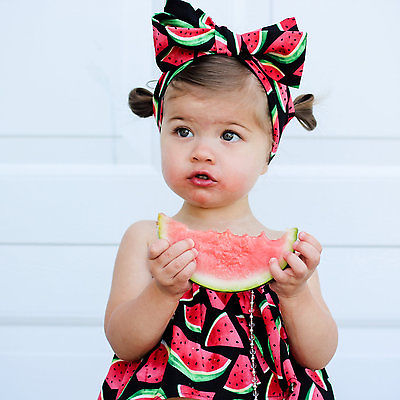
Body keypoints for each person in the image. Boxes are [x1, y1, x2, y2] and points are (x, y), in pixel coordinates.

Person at [98, 0, 337, 399]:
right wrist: (162, 291)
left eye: (229, 135)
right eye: (182, 131)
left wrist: (295, 295)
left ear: (268, 153)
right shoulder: (145, 240)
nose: (201, 152)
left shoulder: (289, 255)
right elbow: (123, 344)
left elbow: (319, 354)